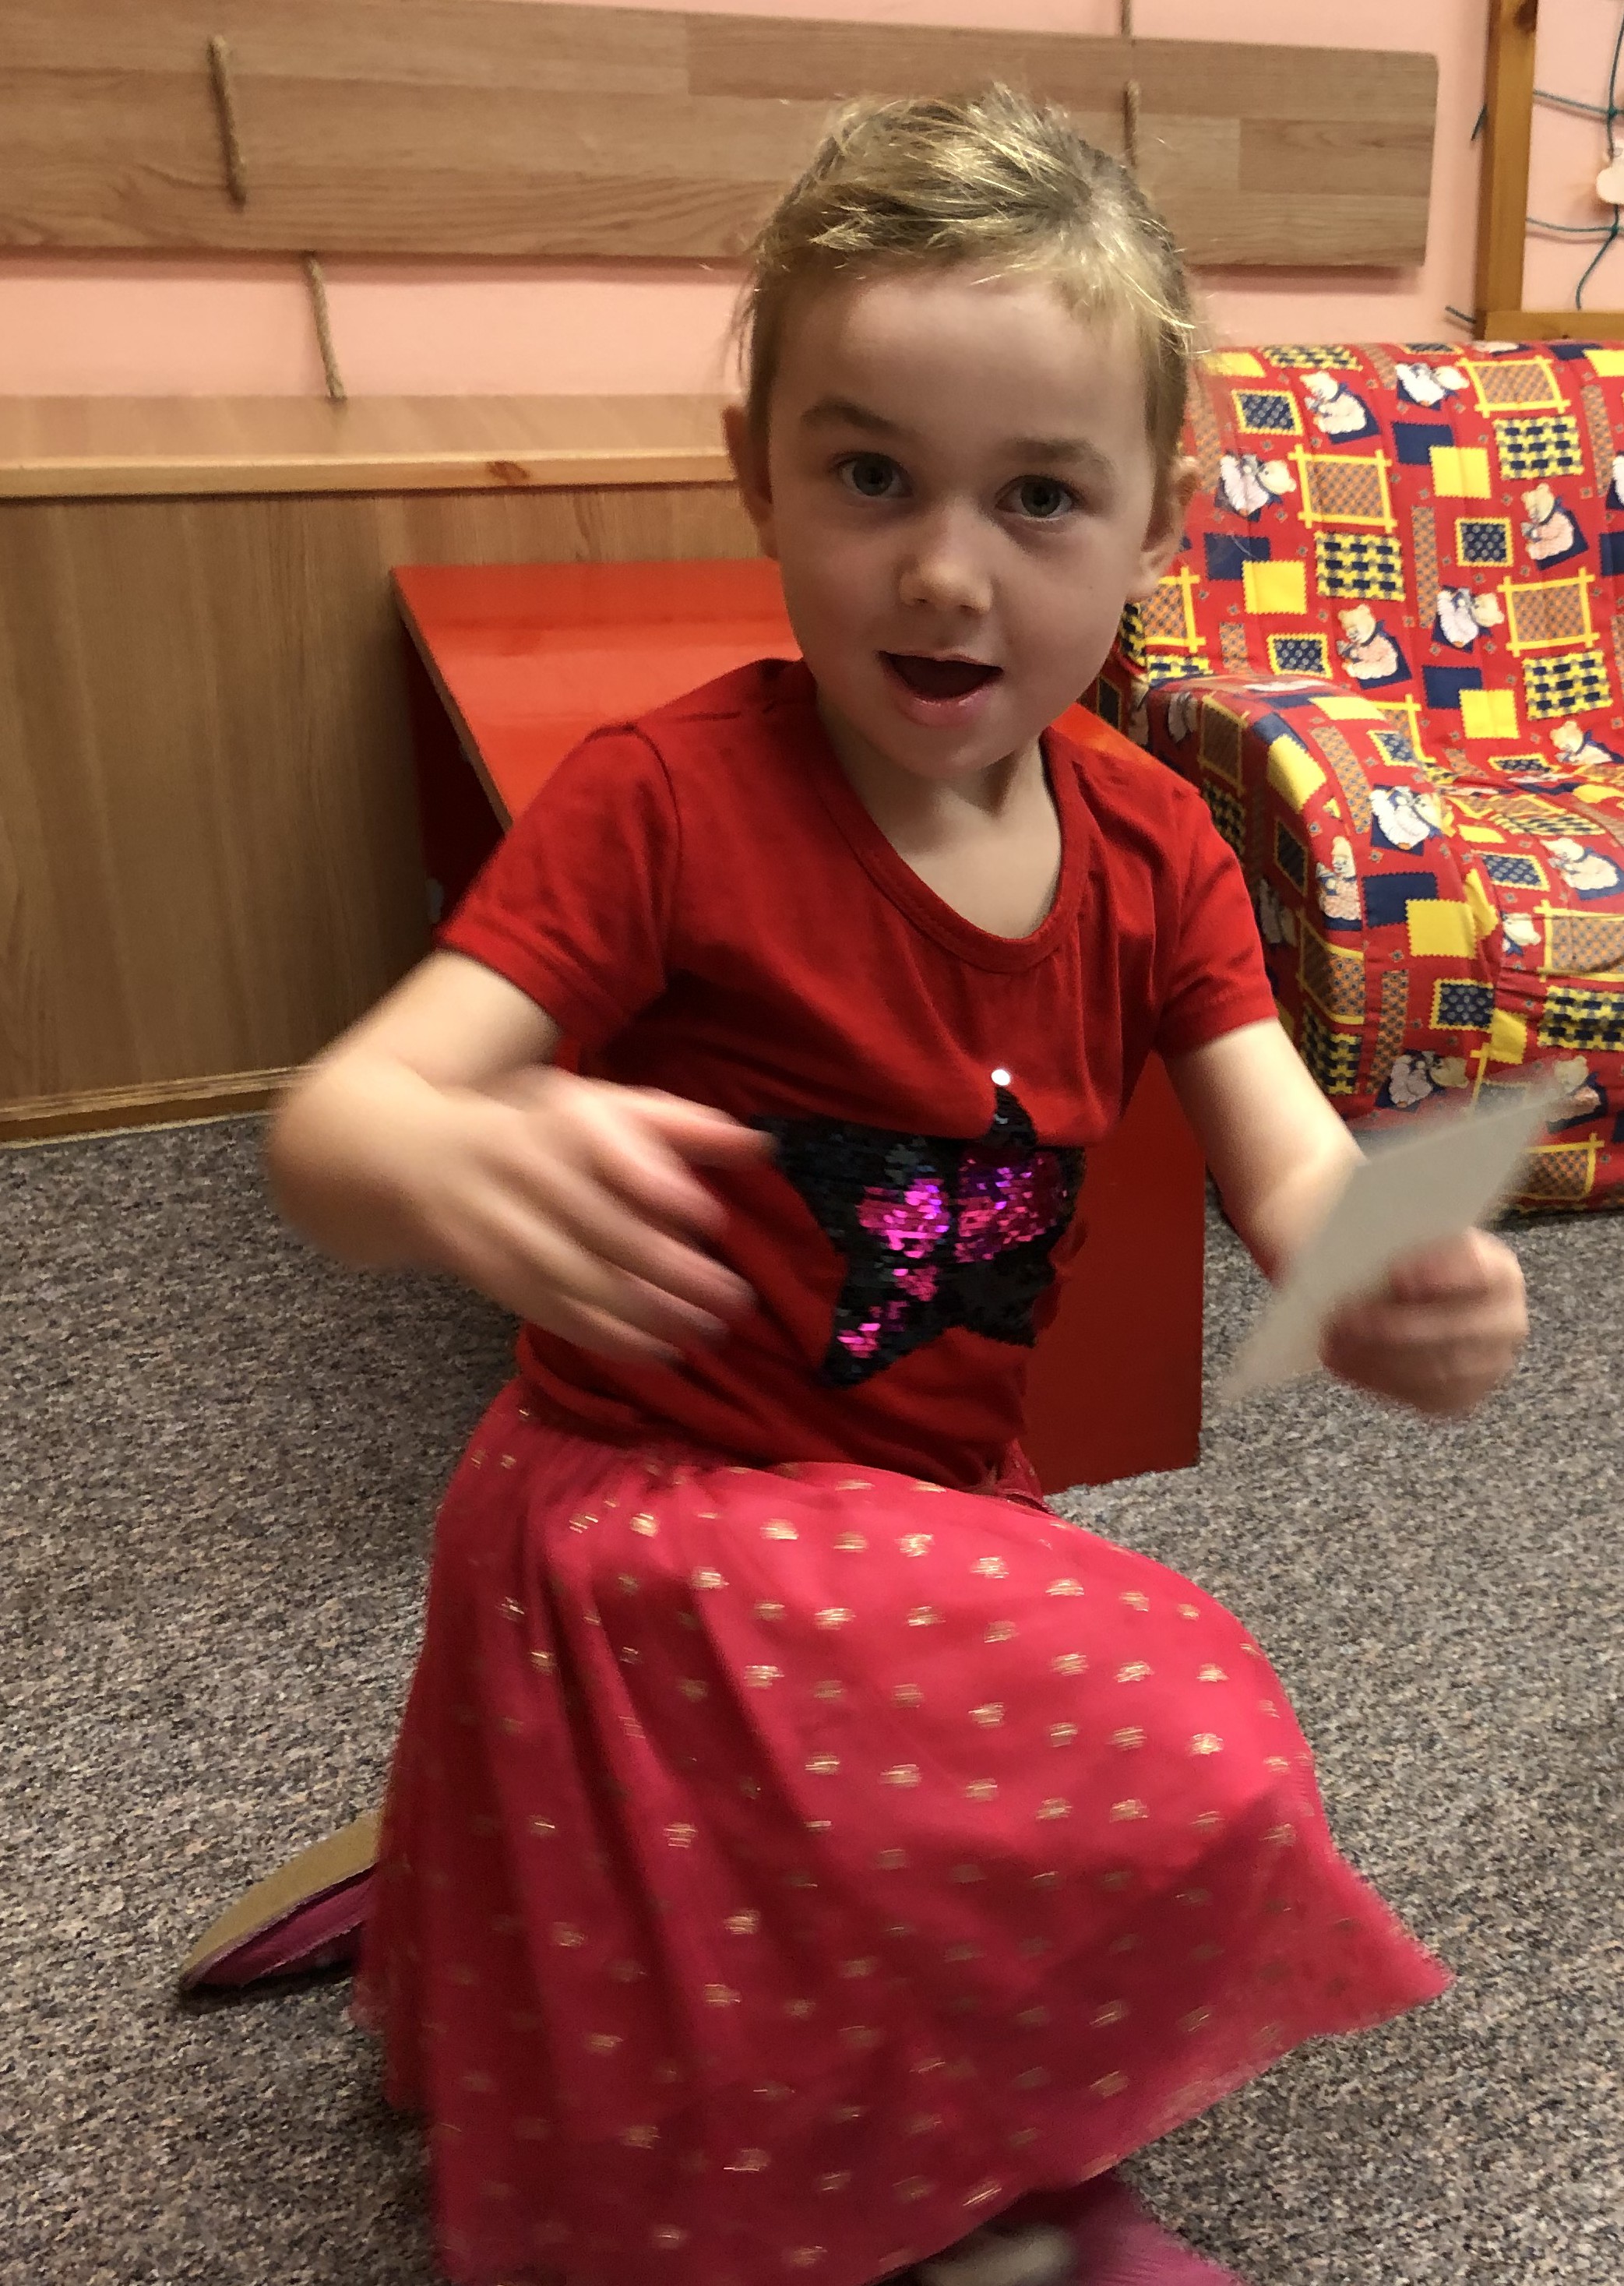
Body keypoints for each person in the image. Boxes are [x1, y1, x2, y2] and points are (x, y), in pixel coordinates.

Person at [266, 88, 1529, 2286]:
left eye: (1040, 496)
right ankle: (975, 2205)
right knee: (1180, 1741)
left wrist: (1397, 1279)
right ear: (757, 469)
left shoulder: (1155, 844)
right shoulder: (665, 804)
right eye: (873, 478)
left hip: (923, 1486)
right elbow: (333, 1129)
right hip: (645, 1504)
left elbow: (1296, 1178)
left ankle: (740, 1995)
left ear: (1160, 524)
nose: (948, 570)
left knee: (927, 1838)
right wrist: (449, 1152)